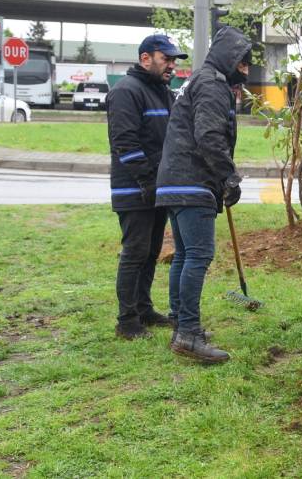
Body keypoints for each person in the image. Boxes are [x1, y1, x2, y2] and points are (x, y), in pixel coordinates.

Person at [155, 25, 252, 364]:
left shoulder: (199, 79)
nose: (246, 71)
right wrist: (229, 177)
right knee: (197, 255)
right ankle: (189, 335)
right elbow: (210, 135)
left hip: (174, 180)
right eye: (242, 63)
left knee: (184, 255)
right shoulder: (212, 84)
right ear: (229, 58)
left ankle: (182, 324)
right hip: (191, 180)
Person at [106, 34, 187, 339]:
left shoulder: (163, 92)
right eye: (166, 59)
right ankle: (127, 321)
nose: (171, 66)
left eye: (174, 61)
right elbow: (125, 143)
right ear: (145, 59)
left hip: (157, 188)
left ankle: (144, 308)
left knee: (152, 252)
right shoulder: (126, 91)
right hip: (135, 190)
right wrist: (147, 182)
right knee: (135, 252)